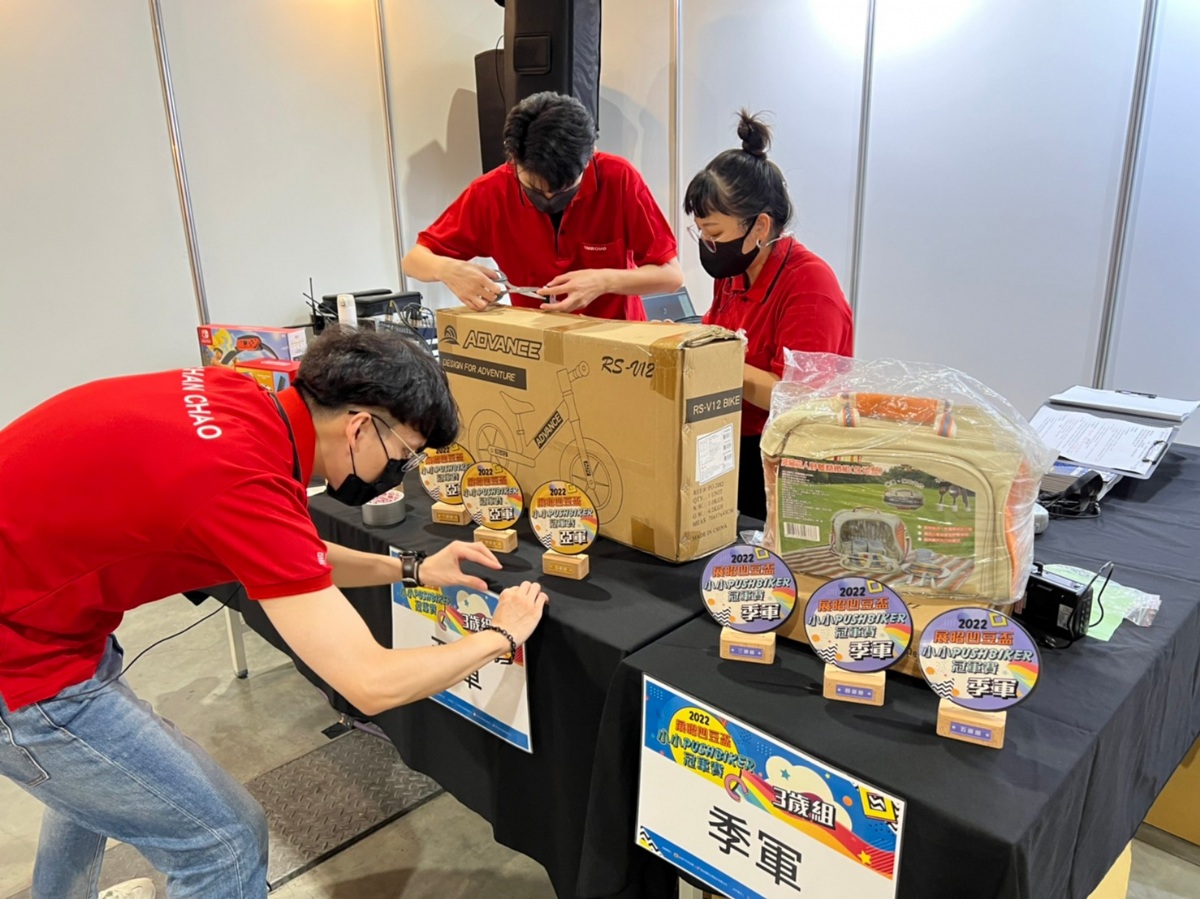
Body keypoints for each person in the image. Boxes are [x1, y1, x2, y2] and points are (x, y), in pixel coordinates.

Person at [0, 326, 549, 899]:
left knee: (95, 780)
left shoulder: (240, 401)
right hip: (23, 662)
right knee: (223, 843)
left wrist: (412, 568)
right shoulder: (239, 480)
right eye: (403, 457)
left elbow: (293, 556)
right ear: (360, 427)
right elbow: (370, 683)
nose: (398, 474)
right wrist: (499, 635)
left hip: (49, 615)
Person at [685, 111, 854, 521]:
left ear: (760, 226)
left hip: (784, 461)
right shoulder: (736, 272)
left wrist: (709, 360)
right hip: (730, 441)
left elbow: (797, 400)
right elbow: (717, 335)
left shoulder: (810, 287)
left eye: (715, 234)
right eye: (701, 233)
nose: (707, 244)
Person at [403, 91, 682, 320]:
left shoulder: (619, 178)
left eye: (564, 190)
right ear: (513, 159)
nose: (549, 198)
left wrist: (604, 281)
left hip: (619, 345)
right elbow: (414, 260)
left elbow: (671, 276)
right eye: (534, 188)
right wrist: (448, 270)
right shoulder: (490, 192)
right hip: (537, 347)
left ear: (590, 157)